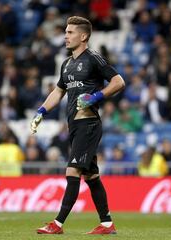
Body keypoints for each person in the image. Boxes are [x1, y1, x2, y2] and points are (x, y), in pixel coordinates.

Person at [31, 16, 125, 235]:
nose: (66, 35)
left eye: (70, 32)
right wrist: (41, 111)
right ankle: (107, 224)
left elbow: (118, 81)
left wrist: (95, 97)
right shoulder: (66, 64)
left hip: (88, 124)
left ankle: (58, 224)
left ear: (83, 36)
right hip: (74, 125)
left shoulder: (93, 59)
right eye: (65, 31)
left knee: (72, 170)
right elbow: (58, 91)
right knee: (91, 176)